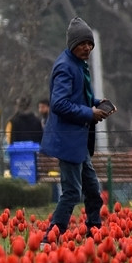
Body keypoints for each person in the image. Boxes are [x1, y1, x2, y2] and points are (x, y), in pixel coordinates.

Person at [39, 17, 114, 242]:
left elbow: (79, 98)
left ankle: (94, 234)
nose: (88, 47)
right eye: (83, 43)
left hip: (79, 143)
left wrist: (97, 103)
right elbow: (59, 104)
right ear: (73, 43)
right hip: (68, 142)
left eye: (90, 44)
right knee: (72, 192)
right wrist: (90, 114)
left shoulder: (77, 64)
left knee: (92, 191)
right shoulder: (65, 66)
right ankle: (49, 239)